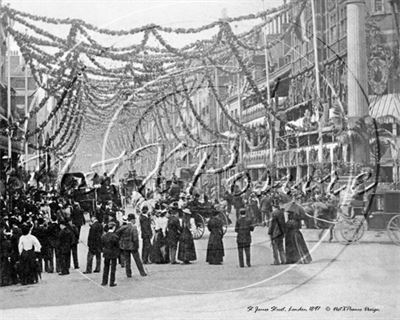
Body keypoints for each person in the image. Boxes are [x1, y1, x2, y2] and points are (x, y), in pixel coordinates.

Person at [101, 222, 119, 287]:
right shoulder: (115, 236)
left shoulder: (104, 236)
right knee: (113, 268)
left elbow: (102, 244)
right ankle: (112, 282)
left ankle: (104, 281)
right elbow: (117, 245)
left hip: (106, 252)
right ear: (114, 227)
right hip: (113, 253)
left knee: (106, 267)